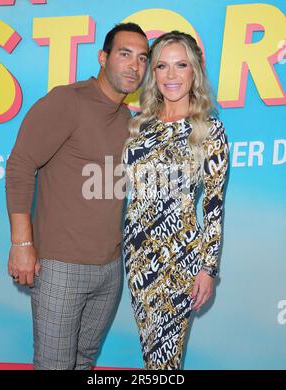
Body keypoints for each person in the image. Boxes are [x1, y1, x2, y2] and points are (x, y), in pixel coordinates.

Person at [5, 23, 148, 370]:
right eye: (124, 54)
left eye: (142, 58)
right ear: (103, 57)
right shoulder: (68, 100)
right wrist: (22, 245)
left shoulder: (129, 121)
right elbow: (20, 166)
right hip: (60, 267)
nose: (134, 66)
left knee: (84, 361)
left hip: (110, 269)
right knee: (54, 364)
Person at [122, 31, 229, 370]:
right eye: (162, 66)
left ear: (193, 72)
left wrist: (208, 269)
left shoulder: (209, 131)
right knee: (150, 351)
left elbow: (213, 206)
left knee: (165, 358)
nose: (171, 76)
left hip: (179, 255)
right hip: (138, 255)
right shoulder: (139, 127)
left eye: (180, 65)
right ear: (152, 73)